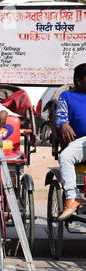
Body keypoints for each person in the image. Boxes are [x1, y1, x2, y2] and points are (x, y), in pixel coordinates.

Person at [55, 63, 86, 221]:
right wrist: (64, 123)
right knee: (65, 156)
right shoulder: (66, 96)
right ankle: (72, 198)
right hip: (81, 143)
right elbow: (61, 115)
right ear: (79, 81)